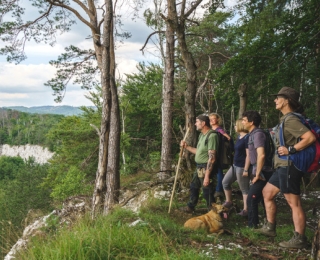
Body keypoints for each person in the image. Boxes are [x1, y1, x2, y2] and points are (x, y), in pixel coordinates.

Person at [256, 87, 315, 249]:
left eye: (278, 98)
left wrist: (292, 149)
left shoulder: (291, 120)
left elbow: (309, 137)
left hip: (290, 166)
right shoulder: (286, 119)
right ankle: (270, 227)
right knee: (267, 193)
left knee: (293, 202)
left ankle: (300, 238)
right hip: (282, 166)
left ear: (287, 100)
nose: (275, 100)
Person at [179, 114, 219, 213]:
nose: (196, 124)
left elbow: (212, 158)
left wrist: (207, 176)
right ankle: (190, 207)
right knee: (194, 187)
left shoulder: (212, 136)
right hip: (199, 167)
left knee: (207, 191)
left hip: (206, 168)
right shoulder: (202, 135)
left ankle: (213, 212)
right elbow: (199, 151)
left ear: (203, 123)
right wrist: (186, 147)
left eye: (197, 122)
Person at [242, 110, 273, 228]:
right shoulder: (252, 134)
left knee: (251, 198)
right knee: (262, 198)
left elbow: (262, 155)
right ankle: (268, 223)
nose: (243, 123)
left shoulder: (258, 134)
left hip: (264, 171)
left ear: (252, 122)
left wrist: (258, 174)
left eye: (245, 120)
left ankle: (253, 226)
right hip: (259, 170)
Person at [222, 119, 251, 216]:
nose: (234, 127)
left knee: (244, 188)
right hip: (235, 165)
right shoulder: (239, 136)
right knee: (225, 182)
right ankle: (228, 201)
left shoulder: (247, 137)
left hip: (242, 166)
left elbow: (248, 155)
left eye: (235, 125)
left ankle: (246, 210)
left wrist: (246, 169)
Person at [209, 113, 231, 201]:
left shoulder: (219, 129)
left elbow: (228, 137)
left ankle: (218, 190)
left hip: (219, 153)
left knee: (218, 170)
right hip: (213, 152)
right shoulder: (212, 129)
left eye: (213, 118)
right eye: (210, 119)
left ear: (217, 119)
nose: (211, 120)